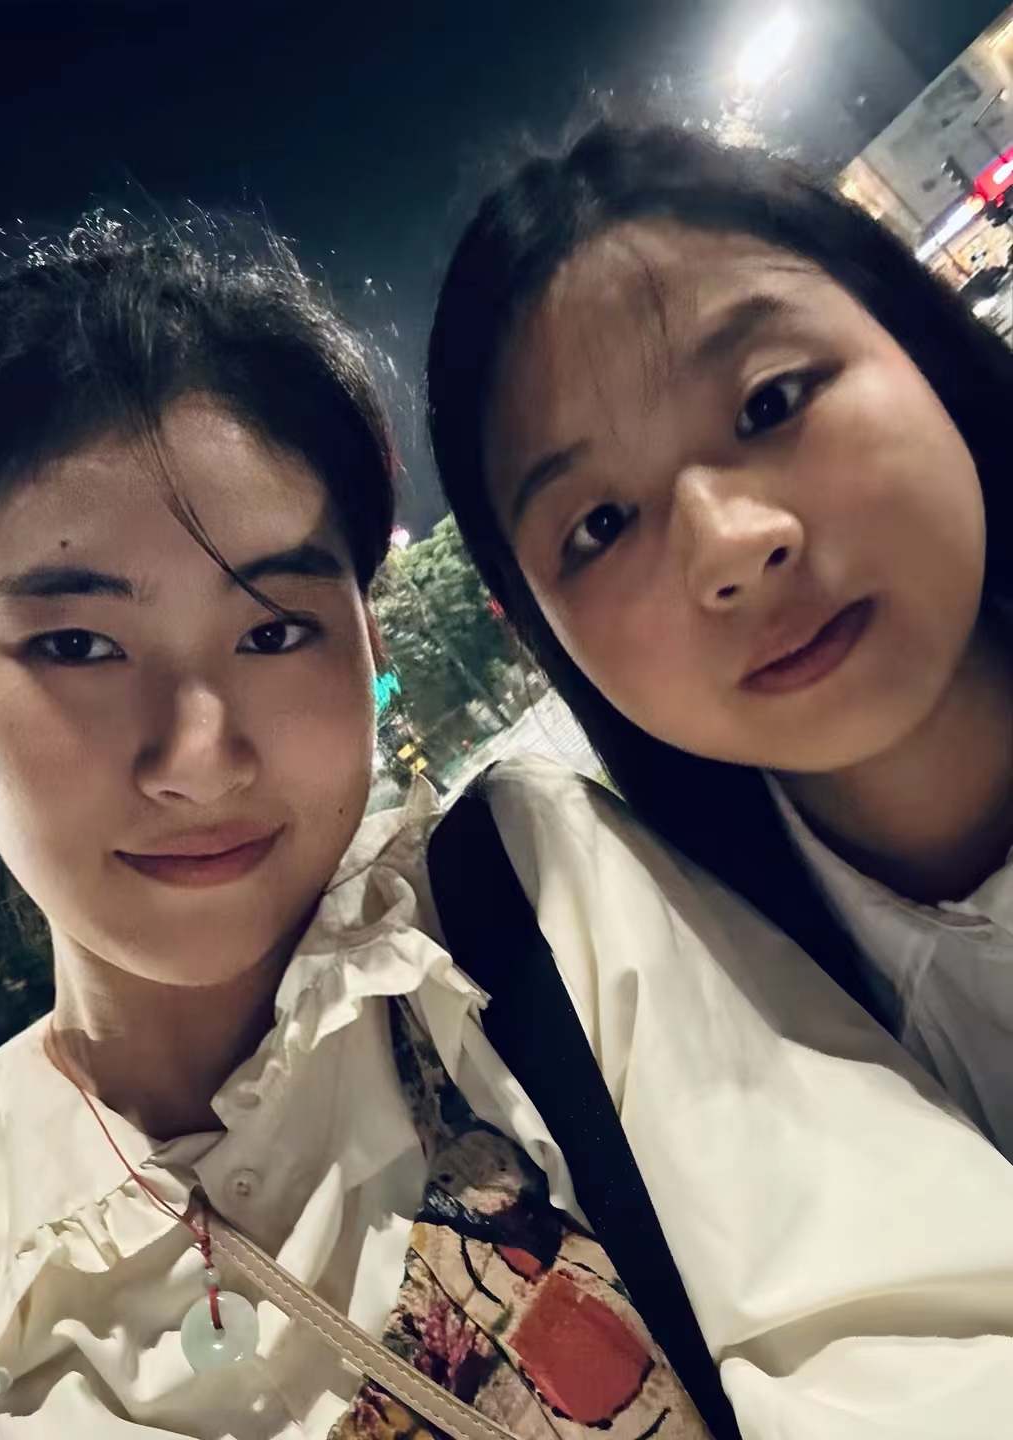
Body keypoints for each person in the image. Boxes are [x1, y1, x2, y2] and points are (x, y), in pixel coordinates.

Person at [0, 215, 1011, 1440]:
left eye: (275, 631)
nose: (200, 758)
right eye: (78, 646)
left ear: (366, 636)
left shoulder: (514, 909)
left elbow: (914, 1336)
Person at [427, 120, 1013, 1160]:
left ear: (911, 335)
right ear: (540, 627)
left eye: (769, 402)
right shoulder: (670, 1069)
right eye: (601, 525)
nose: (732, 547)